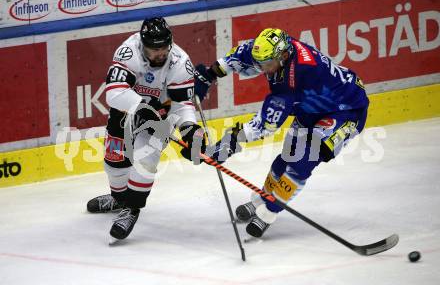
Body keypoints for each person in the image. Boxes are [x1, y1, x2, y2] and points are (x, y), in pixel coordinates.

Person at [195, 28, 369, 238]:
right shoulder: (271, 49)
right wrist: (210, 73)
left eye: (267, 65)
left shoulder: (301, 75)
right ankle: (262, 197)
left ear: (284, 56)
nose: (263, 69)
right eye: (261, 63)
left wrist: (233, 140)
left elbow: (266, 125)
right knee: (287, 156)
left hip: (345, 111)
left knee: (302, 159)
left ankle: (269, 212)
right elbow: (240, 56)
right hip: (310, 107)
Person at [87, 17, 206, 240]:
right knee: (114, 160)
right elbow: (114, 93)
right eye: (154, 49)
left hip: (162, 114)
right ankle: (119, 199)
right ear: (143, 45)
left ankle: (131, 209)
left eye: (164, 48)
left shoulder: (180, 63)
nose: (160, 53)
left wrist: (190, 130)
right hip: (127, 109)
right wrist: (141, 107)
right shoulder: (128, 52)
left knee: (146, 157)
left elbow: (182, 105)